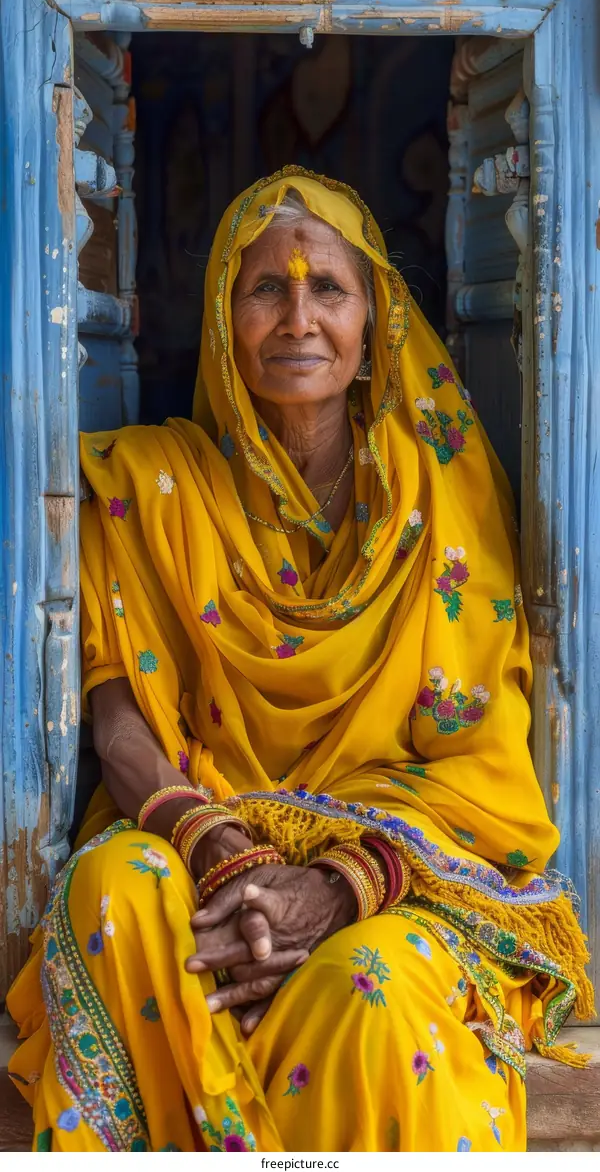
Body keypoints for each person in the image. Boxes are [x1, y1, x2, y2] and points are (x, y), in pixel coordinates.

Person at [7, 168, 593, 1154]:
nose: (298, 318)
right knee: (114, 888)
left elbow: (481, 752)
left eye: (328, 287)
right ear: (224, 317)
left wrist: (339, 885)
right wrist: (217, 846)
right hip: (205, 841)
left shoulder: (441, 497)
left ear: (374, 331)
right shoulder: (148, 485)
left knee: (366, 995)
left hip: (398, 872)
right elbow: (117, 717)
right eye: (265, 288)